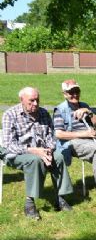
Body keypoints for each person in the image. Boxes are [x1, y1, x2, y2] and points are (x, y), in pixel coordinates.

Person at [2, 87, 73, 220]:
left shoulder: (43, 113)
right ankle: (30, 203)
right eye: (31, 101)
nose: (35, 103)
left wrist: (49, 150)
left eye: (37, 100)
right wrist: (32, 150)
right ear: (21, 100)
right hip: (17, 153)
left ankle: (60, 198)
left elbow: (51, 137)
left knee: (58, 157)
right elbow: (8, 145)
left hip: (41, 150)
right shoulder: (10, 115)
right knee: (35, 160)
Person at [53, 79, 96, 200]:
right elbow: (58, 134)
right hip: (74, 142)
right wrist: (84, 133)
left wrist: (88, 112)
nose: (75, 95)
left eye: (77, 91)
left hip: (93, 138)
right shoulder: (60, 109)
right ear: (65, 94)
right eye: (71, 92)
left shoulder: (84, 105)